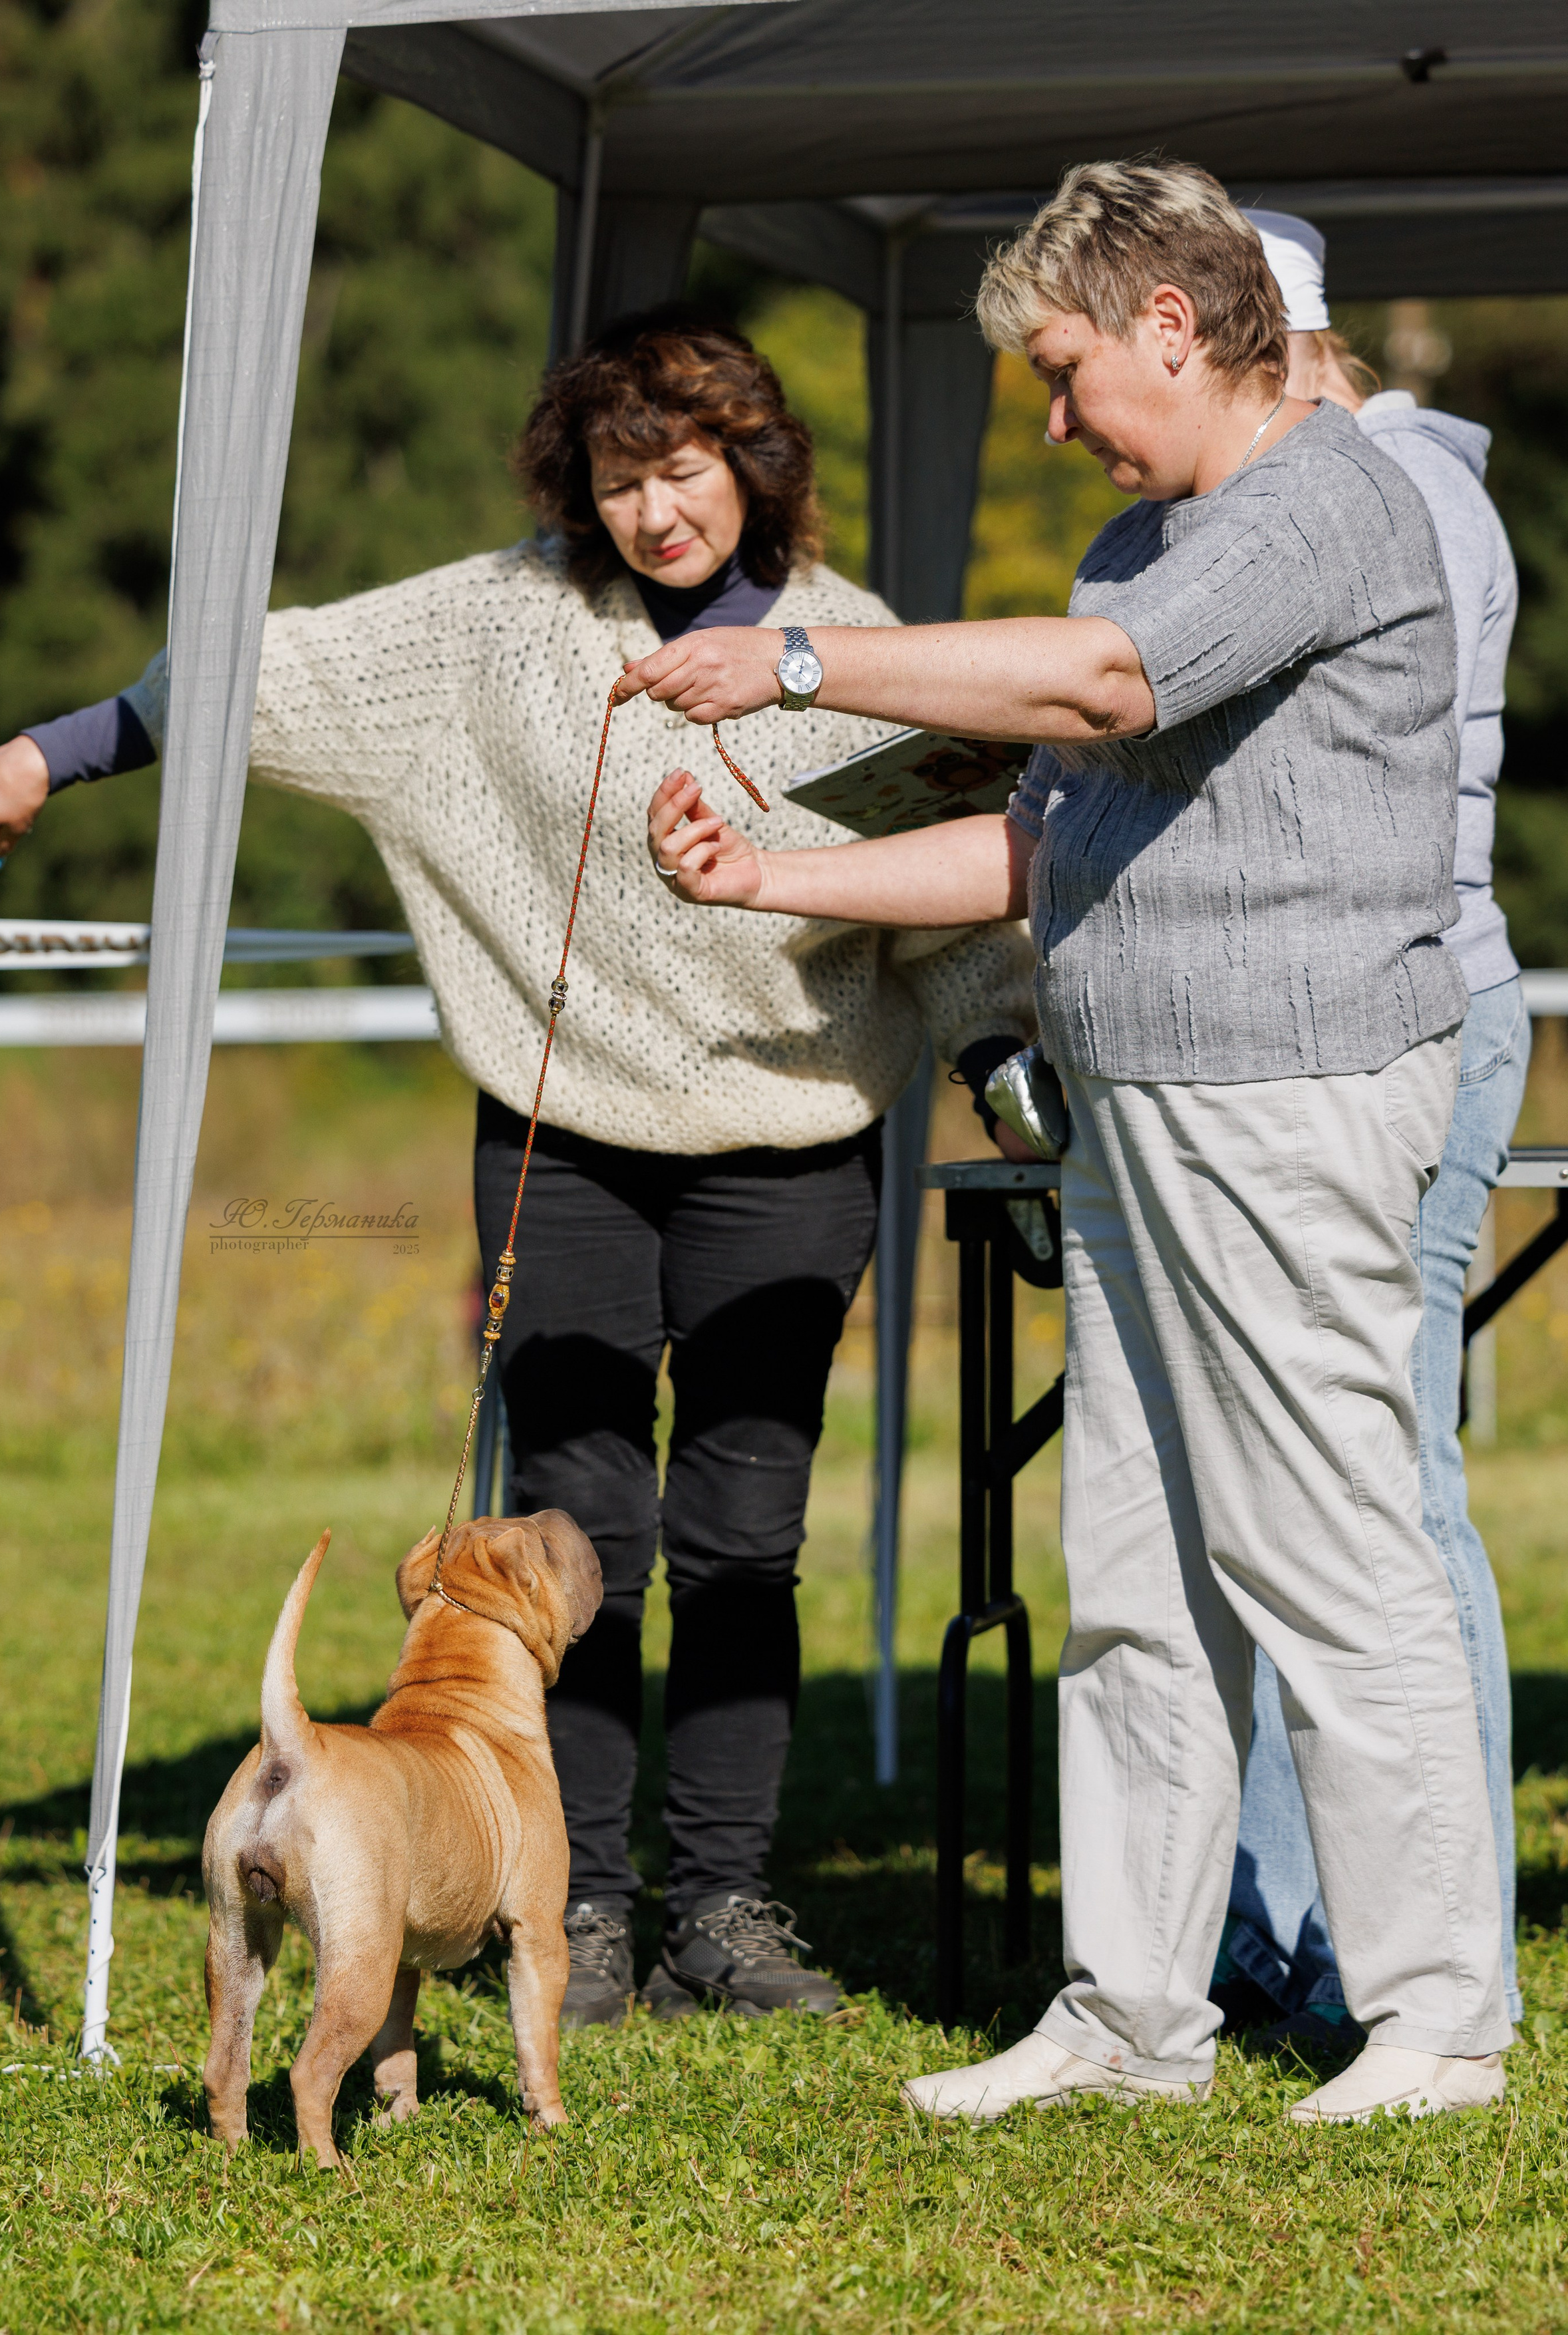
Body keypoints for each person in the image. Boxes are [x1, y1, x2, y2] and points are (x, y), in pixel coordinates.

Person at [0, 309, 1033, 2028]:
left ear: (754, 462)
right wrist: (42, 757)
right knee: (576, 1543)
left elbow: (951, 906)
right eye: (619, 479)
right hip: (557, 1138)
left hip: (796, 1147)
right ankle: (570, 1904)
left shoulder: (868, 646)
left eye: (684, 469)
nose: (656, 511)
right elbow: (255, 675)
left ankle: (724, 1912)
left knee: (743, 1537)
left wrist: (1007, 1080)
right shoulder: (500, 625)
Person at [635, 160, 1513, 2125]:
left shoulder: (1323, 506)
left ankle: (1439, 2021)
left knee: (1325, 1545)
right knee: (1131, 1568)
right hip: (1135, 1102)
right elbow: (1041, 848)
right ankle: (1131, 2018)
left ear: (1172, 328)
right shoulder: (1148, 541)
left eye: (1060, 370)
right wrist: (767, 873)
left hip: (1286, 1091)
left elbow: (1100, 683)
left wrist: (791, 661)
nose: (1050, 419)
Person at [1215, 212, 1526, 2048]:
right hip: (1347, 1020)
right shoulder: (1365, 481)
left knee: (1391, 1486)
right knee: (1319, 1487)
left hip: (1402, 1015)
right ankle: (1292, 1927)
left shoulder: (1385, 499)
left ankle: (1427, 1949)